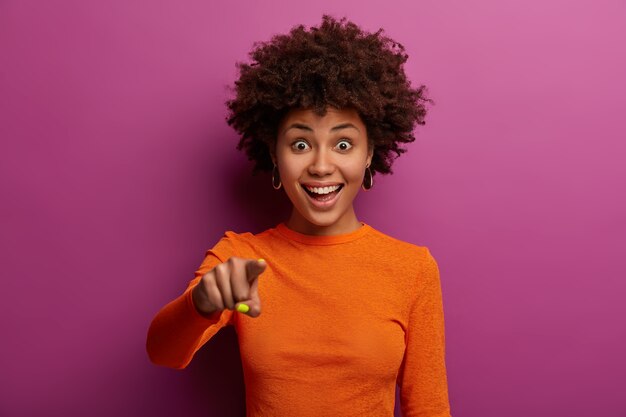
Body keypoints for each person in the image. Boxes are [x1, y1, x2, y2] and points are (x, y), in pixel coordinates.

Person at [146, 14, 452, 417]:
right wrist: (201, 303)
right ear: (275, 155)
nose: (322, 166)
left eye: (343, 144)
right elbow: (163, 352)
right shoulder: (241, 256)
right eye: (301, 144)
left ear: (370, 154)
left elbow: (428, 409)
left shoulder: (413, 269)